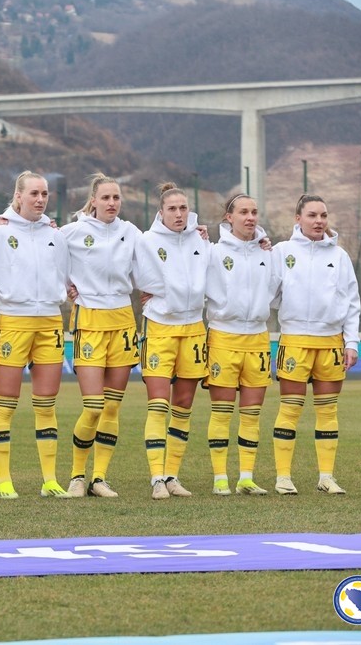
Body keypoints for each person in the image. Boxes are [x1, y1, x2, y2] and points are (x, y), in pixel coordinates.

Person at [60, 173, 164, 498]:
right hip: (89, 319)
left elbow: (156, 256)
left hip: (122, 320)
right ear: (93, 200)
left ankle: (99, 478)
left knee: (111, 408)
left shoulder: (130, 232)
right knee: (93, 406)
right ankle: (77, 476)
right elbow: (44, 254)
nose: (112, 203)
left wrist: (195, 232)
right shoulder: (72, 232)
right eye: (105, 197)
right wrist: (65, 287)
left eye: (116, 197)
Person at [0, 171, 71, 499]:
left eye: (44, 194)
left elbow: (64, 274)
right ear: (18, 195)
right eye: (33, 193)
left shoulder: (56, 235)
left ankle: (49, 480)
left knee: (46, 405)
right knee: (5, 403)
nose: (40, 199)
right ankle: (4, 481)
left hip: (50, 322)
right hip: (13, 322)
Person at [270, 194, 360, 495]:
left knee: (328, 411)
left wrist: (352, 342)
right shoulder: (282, 251)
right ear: (298, 218)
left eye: (323, 215)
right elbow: (268, 293)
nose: (319, 221)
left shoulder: (340, 256)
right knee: (290, 409)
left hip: (331, 342)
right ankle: (283, 477)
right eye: (312, 215)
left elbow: (352, 302)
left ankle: (326, 477)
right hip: (294, 341)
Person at [139, 183, 210, 499]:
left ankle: (172, 476)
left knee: (183, 406)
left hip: (193, 328)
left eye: (183, 208)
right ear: (161, 212)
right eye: (172, 208)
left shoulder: (201, 240)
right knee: (158, 404)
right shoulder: (147, 241)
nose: (179, 214)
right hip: (160, 327)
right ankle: (156, 478)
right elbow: (129, 272)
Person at [204, 193, 278, 496]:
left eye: (254, 212)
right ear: (229, 217)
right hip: (223, 335)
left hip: (258, 337)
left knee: (252, 413)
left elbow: (277, 290)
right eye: (243, 212)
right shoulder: (214, 252)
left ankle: (246, 477)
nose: (250, 217)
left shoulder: (267, 253)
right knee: (221, 412)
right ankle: (220, 477)